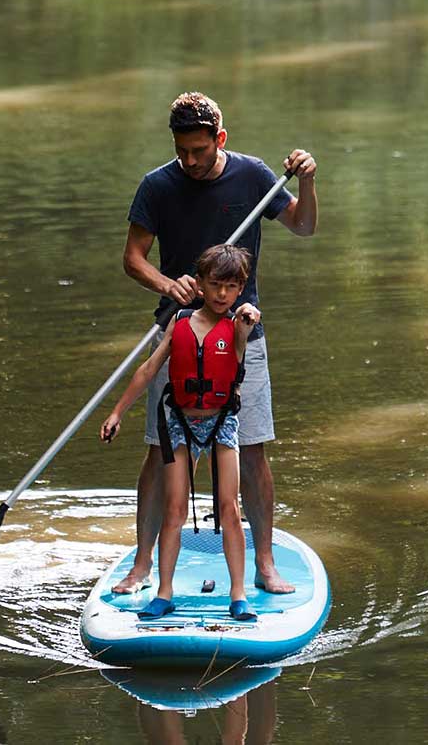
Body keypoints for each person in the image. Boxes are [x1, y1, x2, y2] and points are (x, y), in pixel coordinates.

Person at [110, 91, 317, 596]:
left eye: (199, 151)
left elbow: (304, 225)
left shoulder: (252, 175)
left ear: (219, 139)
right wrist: (167, 284)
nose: (190, 161)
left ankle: (264, 564)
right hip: (177, 331)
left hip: (242, 335)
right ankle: (142, 565)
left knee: (251, 449)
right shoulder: (157, 186)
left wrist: (308, 182)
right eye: (182, 150)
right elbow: (133, 258)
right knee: (162, 452)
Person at [100, 244, 263, 621]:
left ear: (241, 289)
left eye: (231, 287)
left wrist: (247, 320)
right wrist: (116, 412)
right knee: (173, 509)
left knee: (229, 509)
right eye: (215, 285)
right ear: (201, 285)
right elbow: (148, 369)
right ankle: (164, 592)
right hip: (180, 422)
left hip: (221, 422)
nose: (223, 294)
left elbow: (241, 343)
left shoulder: (239, 324)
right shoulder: (182, 322)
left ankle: (238, 594)